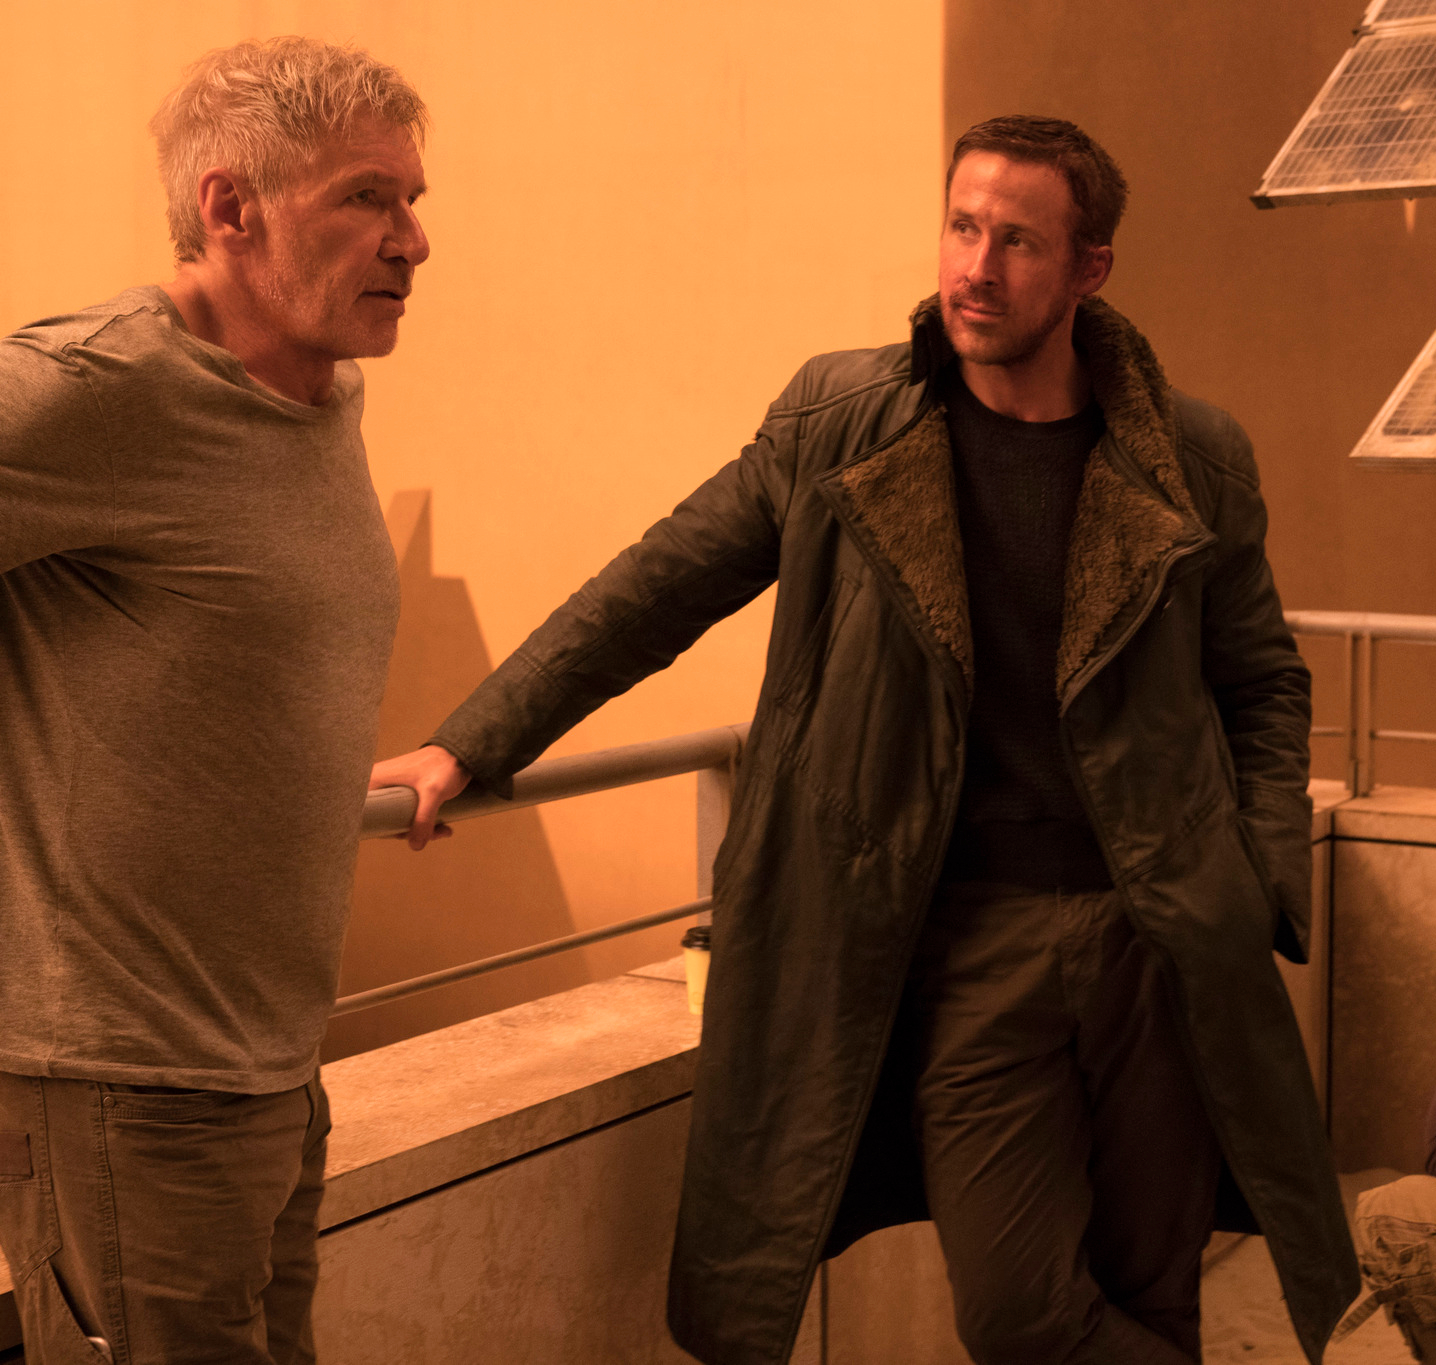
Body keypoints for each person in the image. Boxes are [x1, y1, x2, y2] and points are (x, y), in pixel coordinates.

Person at [371, 115, 1358, 1365]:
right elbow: (654, 589)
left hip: (1157, 938)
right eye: (960, 227)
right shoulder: (843, 422)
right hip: (962, 941)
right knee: (1017, 1314)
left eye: (1015, 241)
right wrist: (467, 746)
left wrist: (1256, 878)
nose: (974, 269)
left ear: (1087, 268)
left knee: (1152, 1287)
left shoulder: (1190, 454)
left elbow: (1261, 680)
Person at [0, 37, 428, 1365]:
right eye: (368, 198)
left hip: (270, 1069)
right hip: (128, 1083)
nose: (413, 239)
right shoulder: (92, 389)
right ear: (231, 209)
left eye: (415, 200)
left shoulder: (318, 393)